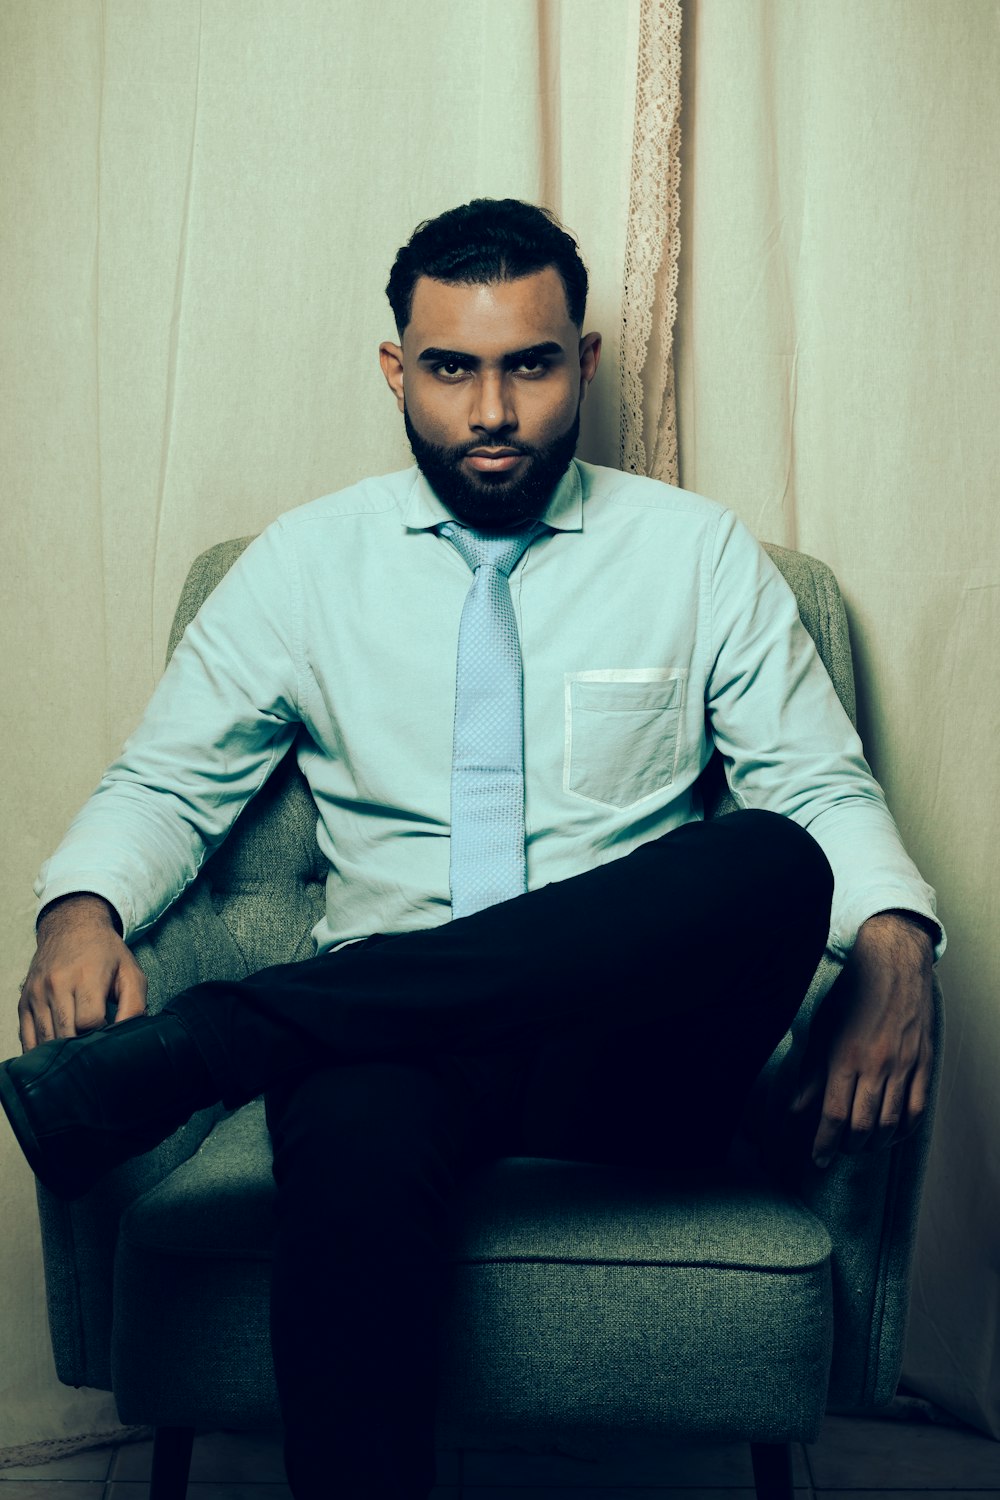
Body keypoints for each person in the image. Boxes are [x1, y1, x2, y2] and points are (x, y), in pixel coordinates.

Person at [1, 198, 941, 1499]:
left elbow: (819, 784)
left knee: (775, 859)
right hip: (389, 1052)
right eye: (452, 368)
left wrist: (896, 948)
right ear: (399, 368)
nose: (492, 412)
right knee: (351, 1129)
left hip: (630, 1067)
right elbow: (167, 781)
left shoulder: (695, 555)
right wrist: (82, 909)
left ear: (585, 365)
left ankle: (226, 1040)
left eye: (530, 365)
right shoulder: (302, 567)